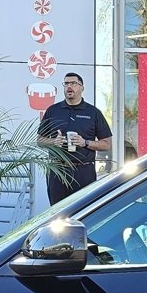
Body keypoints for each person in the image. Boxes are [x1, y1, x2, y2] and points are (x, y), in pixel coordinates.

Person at [38, 72, 112, 205]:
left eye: (73, 83)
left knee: (83, 211)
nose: (69, 87)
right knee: (57, 213)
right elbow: (40, 140)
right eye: (66, 84)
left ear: (82, 88)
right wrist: (53, 142)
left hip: (83, 171)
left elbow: (107, 144)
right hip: (58, 170)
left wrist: (85, 143)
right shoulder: (53, 110)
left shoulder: (93, 112)